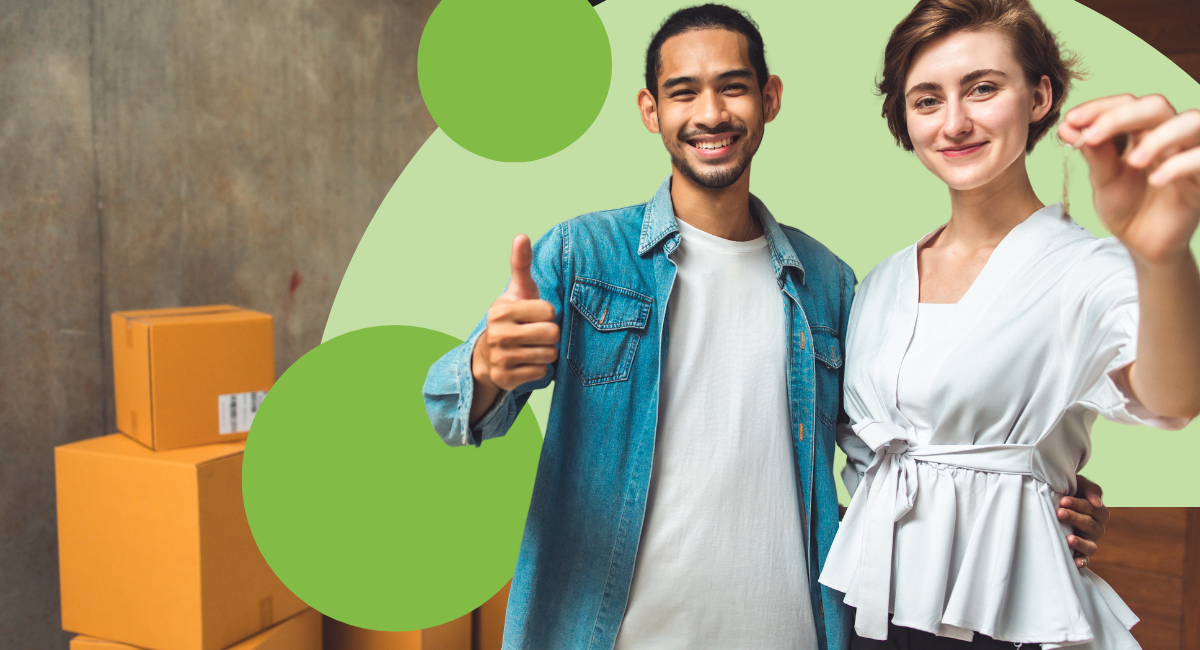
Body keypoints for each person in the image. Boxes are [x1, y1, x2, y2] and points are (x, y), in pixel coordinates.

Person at [424, 4, 1107, 649]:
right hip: (608, 632)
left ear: (769, 99)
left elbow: (910, 444)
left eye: (733, 87)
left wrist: (1042, 496)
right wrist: (486, 367)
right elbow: (454, 412)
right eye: (683, 92)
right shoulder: (584, 257)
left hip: (795, 630)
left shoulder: (831, 284)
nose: (711, 113)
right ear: (650, 110)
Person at [818, 0, 1200, 648]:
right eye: (927, 99)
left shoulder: (1089, 268)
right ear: (905, 122)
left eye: (983, 88)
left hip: (1000, 615)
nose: (956, 122)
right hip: (869, 608)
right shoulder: (880, 280)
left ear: (1040, 95)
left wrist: (1161, 256)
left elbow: (1174, 395)